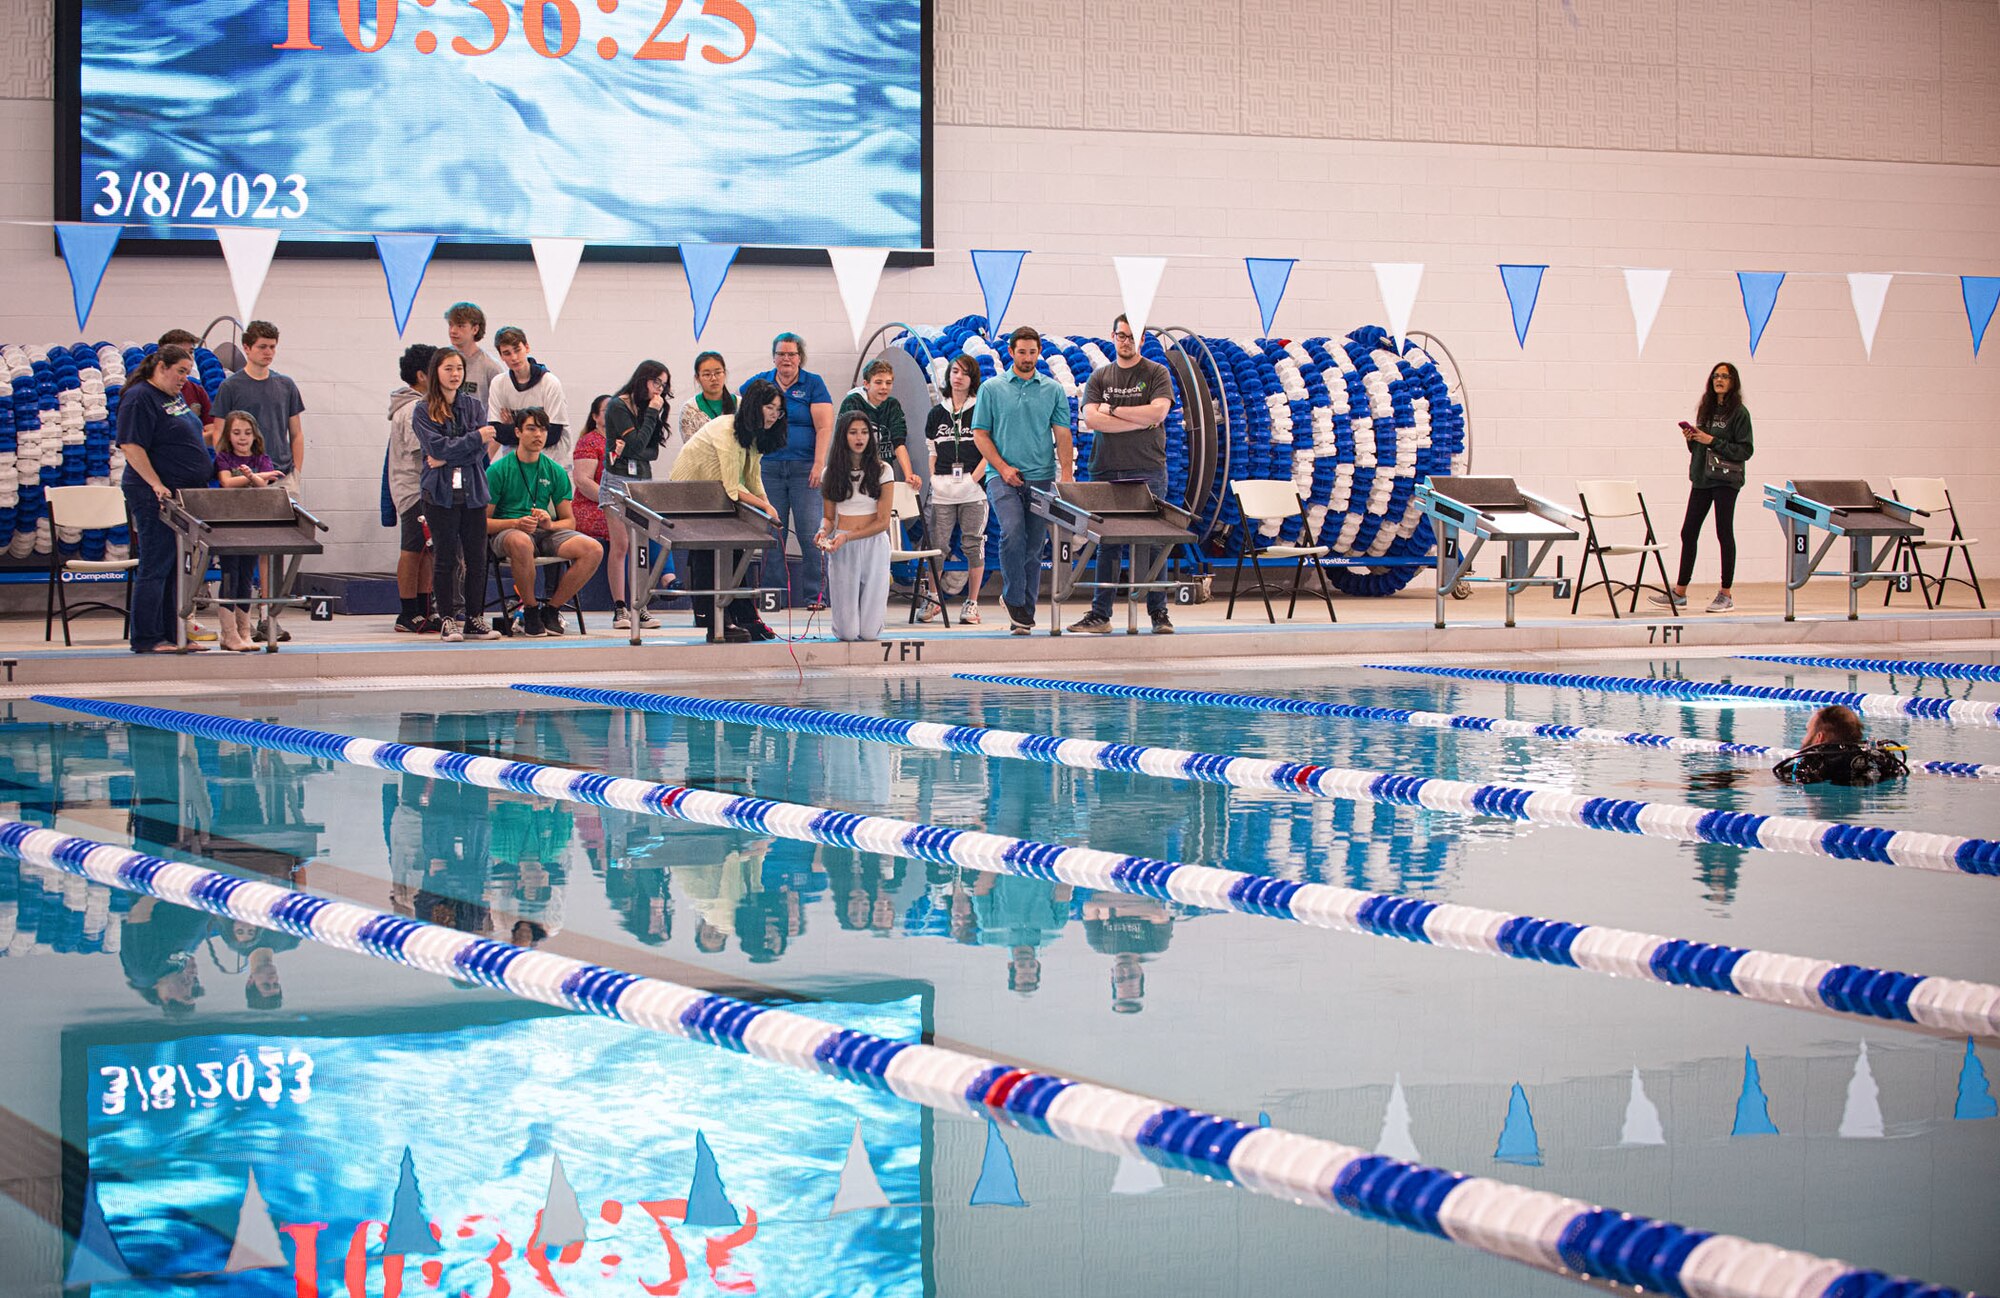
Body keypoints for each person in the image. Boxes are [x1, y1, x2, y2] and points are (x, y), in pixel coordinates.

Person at [1069, 313, 1176, 635]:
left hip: (1147, 469)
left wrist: (1113, 410)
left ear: (1142, 339)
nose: (1126, 342)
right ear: (1112, 336)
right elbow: (1092, 420)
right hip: (1106, 468)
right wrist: (1139, 421)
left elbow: (1158, 412)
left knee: (1154, 543)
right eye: (1121, 336)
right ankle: (1100, 615)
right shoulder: (1100, 377)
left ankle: (1159, 613)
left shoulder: (1156, 373)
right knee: (1107, 544)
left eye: (1132, 336)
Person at [972, 326, 1076, 635]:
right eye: (1022, 352)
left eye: (1032, 352)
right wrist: (1003, 468)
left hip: (1040, 477)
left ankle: (1024, 615)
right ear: (1011, 352)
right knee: (1012, 530)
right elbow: (980, 435)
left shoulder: (1053, 390)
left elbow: (1063, 434)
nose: (1027, 358)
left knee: (1034, 546)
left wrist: (1066, 475)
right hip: (1001, 477)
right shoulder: (991, 389)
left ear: (1039, 352)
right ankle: (1013, 597)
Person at [668, 377, 784, 641]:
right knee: (711, 554)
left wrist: (768, 506)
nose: (774, 415)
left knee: (735, 552)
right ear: (754, 407)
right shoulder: (727, 430)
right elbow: (732, 488)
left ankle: (745, 617)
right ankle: (717, 622)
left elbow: (752, 479)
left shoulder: (754, 434)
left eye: (778, 410)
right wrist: (764, 506)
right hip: (688, 496)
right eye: (769, 408)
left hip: (714, 497)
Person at [118, 345, 215, 654]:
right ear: (161, 367)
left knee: (177, 568)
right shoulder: (140, 398)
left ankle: (174, 634)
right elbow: (131, 446)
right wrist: (156, 484)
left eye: (187, 372)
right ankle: (147, 638)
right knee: (156, 563)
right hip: (156, 495)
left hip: (183, 494)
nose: (185, 379)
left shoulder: (172, 396)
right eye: (180, 371)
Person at [486, 408, 602, 637]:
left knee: (593, 549)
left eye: (542, 429)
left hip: (543, 532)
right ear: (518, 432)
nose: (538, 435)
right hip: (508, 532)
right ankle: (530, 610)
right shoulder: (498, 470)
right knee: (521, 542)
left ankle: (551, 610)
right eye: (531, 429)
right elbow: (483, 523)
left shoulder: (555, 470)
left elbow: (569, 522)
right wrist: (516, 523)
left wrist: (550, 524)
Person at [412, 348, 502, 642]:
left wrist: (449, 454)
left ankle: (475, 618)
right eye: (448, 368)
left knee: (477, 559)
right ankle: (448, 619)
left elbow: (479, 452)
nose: (455, 374)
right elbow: (436, 447)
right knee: (445, 558)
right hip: (440, 494)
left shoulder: (473, 406)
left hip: (473, 492)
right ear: (436, 372)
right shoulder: (422, 409)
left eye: (459, 369)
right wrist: (474, 438)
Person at [1651, 361, 1753, 614]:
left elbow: (1745, 450)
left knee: (1723, 533)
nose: (1719, 380)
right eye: (1716, 376)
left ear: (1733, 382)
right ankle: (1680, 593)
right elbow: (1699, 448)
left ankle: (1726, 594)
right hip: (1702, 478)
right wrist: (1693, 439)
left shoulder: (1739, 413)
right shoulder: (1706, 409)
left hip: (1726, 480)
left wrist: (1713, 440)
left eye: (1725, 376)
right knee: (1688, 532)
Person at [743, 333, 835, 609]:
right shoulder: (761, 383)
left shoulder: (813, 384)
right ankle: (774, 597)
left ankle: (816, 596)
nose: (786, 359)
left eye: (791, 354)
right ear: (774, 357)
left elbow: (824, 427)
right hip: (769, 469)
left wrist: (819, 464)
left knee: (810, 533)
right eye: (781, 354)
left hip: (805, 469)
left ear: (800, 358)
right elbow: (737, 406)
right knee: (773, 534)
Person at [816, 410, 896, 642]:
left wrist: (849, 536)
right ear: (843, 436)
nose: (859, 438)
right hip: (842, 546)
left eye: (864, 432)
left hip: (873, 544)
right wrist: (822, 531)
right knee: (847, 633)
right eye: (853, 432)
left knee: (870, 633)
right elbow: (829, 518)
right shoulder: (830, 473)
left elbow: (882, 522)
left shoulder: (883, 470)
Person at [602, 361, 671, 630]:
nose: (660, 390)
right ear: (644, 379)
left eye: (664, 385)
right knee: (621, 545)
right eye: (657, 383)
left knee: (640, 546)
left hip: (642, 480)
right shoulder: (618, 405)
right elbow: (639, 443)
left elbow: (650, 451)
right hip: (617, 479)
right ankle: (620, 607)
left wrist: (632, 447)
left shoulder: (648, 408)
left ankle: (640, 605)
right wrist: (651, 414)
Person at [211, 411, 283, 652]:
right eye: (236, 433)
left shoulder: (262, 459)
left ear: (255, 435)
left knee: (246, 577)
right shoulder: (224, 458)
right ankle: (228, 633)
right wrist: (254, 476)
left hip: (253, 526)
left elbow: (264, 486)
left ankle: (244, 631)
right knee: (229, 575)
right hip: (229, 525)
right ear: (228, 436)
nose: (242, 438)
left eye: (247, 433)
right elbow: (226, 482)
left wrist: (255, 476)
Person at [924, 355, 986, 623]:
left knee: (972, 544)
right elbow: (932, 450)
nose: (958, 377)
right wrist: (934, 478)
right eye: (955, 371)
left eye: (964, 373)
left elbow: (990, 449)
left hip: (973, 491)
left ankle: (972, 603)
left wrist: (973, 479)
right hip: (943, 490)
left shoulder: (981, 409)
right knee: (937, 545)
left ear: (973, 379)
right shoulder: (937, 413)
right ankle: (932, 598)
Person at [385, 343, 440, 634]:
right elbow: (424, 453)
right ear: (422, 375)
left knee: (426, 552)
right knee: (412, 550)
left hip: (426, 490)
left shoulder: (423, 405)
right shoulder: (411, 409)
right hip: (413, 491)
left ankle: (423, 608)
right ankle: (407, 612)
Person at [486, 325, 573, 469]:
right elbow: (498, 433)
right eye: (507, 353)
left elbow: (553, 434)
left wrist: (514, 427)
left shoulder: (549, 383)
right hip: (515, 465)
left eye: (517, 350)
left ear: (527, 348)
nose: (514, 357)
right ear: (501, 356)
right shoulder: (498, 384)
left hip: (551, 464)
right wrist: (536, 429)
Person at [1772, 705, 1909, 785]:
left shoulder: (1810, 766)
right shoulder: (1876, 760)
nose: (1804, 738)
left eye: (1807, 731)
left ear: (1820, 738)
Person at [838, 359, 919, 490]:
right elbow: (842, 442)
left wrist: (909, 475)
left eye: (888, 383)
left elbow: (899, 443)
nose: (884, 387)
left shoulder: (892, 405)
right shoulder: (852, 403)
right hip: (856, 474)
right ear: (866, 384)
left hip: (884, 473)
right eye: (878, 382)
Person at [156, 328, 219, 442]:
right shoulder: (147, 393)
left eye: (190, 352)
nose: (189, 358)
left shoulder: (197, 390)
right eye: (182, 353)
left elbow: (211, 430)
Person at [570, 393, 613, 546]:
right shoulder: (588, 442)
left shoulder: (623, 442)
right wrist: (611, 502)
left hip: (616, 505)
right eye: (607, 410)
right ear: (595, 416)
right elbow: (583, 481)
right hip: (594, 506)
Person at [446, 301, 505, 402]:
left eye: (460, 326)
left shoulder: (491, 367)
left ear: (475, 329)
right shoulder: (440, 361)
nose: (453, 331)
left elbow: (502, 403)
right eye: (451, 325)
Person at [680, 350, 735, 443]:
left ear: (725, 374)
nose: (713, 378)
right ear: (697, 378)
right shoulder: (689, 409)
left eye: (718, 373)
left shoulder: (740, 404)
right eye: (707, 374)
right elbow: (691, 447)